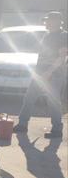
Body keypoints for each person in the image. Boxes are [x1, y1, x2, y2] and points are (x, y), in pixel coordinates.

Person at [13, 11, 68, 139]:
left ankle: (57, 130)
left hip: (54, 74)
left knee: (53, 102)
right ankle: (22, 124)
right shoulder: (47, 35)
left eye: (48, 20)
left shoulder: (63, 36)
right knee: (29, 98)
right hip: (40, 73)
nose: (46, 23)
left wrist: (49, 72)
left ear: (56, 22)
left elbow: (62, 57)